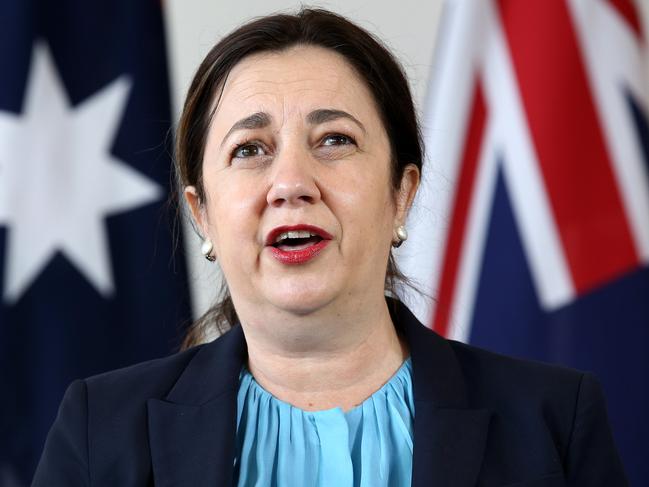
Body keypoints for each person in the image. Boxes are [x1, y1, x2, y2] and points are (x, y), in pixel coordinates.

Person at [32, 8, 627, 487]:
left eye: (335, 139)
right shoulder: (99, 431)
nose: (291, 183)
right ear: (202, 214)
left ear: (402, 193)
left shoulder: (555, 422)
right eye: (250, 149)